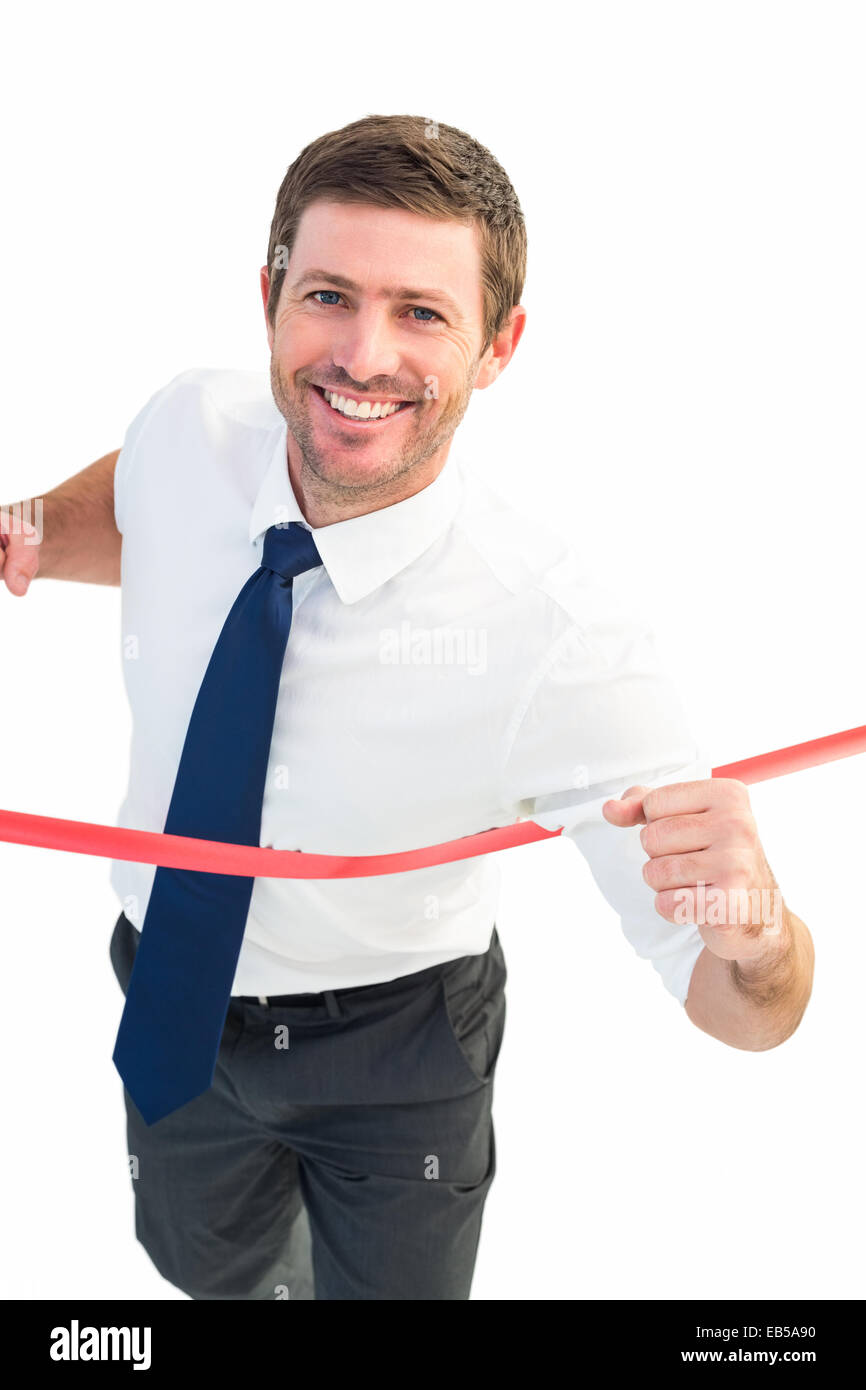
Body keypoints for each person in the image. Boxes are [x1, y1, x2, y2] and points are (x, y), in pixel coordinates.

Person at [0, 113, 814, 1301]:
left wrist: (757, 935)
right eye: (328, 295)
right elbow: (139, 505)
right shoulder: (193, 420)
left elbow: (751, 1014)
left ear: (498, 346)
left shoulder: (561, 635)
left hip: (397, 1047)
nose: (363, 355)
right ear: (268, 295)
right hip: (170, 980)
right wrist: (21, 535)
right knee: (203, 1264)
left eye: (422, 312)